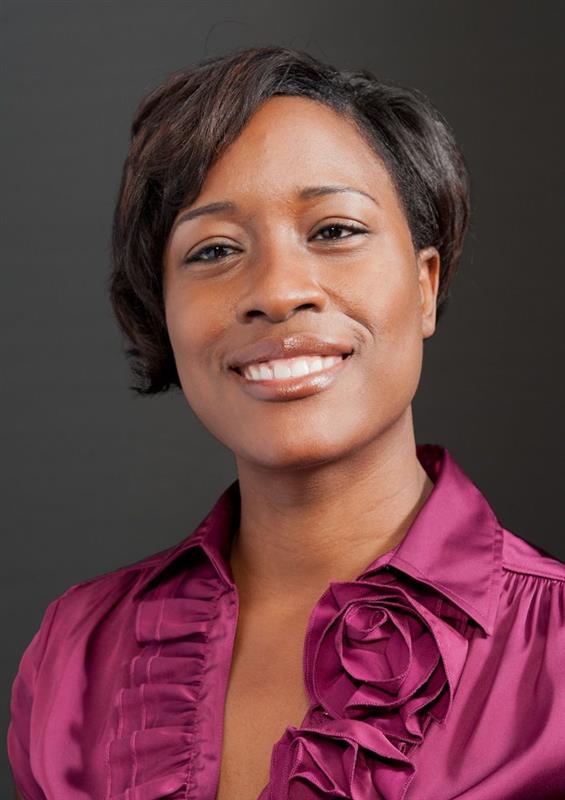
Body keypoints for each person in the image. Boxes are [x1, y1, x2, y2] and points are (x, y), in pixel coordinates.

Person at [7, 45, 565, 800]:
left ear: (426, 286)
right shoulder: (75, 659)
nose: (276, 290)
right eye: (213, 249)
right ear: (162, 314)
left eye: (333, 230)